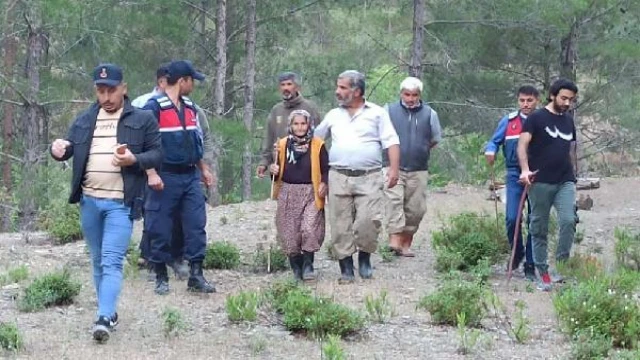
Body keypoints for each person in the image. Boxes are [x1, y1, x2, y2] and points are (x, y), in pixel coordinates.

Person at [50, 63, 163, 342]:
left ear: (123, 88)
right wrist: (58, 150)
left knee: (112, 260)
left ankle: (103, 318)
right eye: (101, 91)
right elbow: (70, 149)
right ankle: (109, 311)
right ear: (96, 91)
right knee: (98, 260)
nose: (107, 96)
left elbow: (158, 154)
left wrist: (133, 160)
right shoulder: (85, 119)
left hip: (120, 203)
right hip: (89, 201)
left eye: (112, 90)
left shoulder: (143, 119)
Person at [314, 70, 400, 283]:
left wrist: (394, 170)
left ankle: (364, 257)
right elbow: (315, 141)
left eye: (343, 87)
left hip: (369, 177)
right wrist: (319, 176)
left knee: (368, 221)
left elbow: (391, 141)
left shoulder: (377, 113)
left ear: (357, 91)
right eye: (338, 86)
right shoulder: (333, 115)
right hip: (338, 176)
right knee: (339, 223)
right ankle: (346, 268)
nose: (337, 91)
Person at [133, 64, 216, 281]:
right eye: (192, 81)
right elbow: (142, 144)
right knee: (160, 225)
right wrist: (151, 173)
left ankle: (196, 274)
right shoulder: (153, 107)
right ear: (182, 81)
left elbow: (194, 141)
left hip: (190, 175)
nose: (194, 85)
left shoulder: (190, 107)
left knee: (196, 223)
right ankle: (159, 273)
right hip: (164, 174)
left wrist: (203, 169)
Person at [517, 78, 579, 291]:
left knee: (569, 220)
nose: (567, 103)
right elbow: (522, 145)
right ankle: (542, 273)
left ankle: (561, 267)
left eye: (571, 100)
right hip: (540, 180)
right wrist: (525, 170)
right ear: (553, 95)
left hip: (565, 180)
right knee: (539, 227)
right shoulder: (536, 118)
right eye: (563, 98)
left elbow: (571, 149)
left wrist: (574, 174)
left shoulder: (569, 121)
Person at [485, 85, 540, 281]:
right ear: (518, 101)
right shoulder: (509, 122)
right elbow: (494, 141)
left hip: (538, 175)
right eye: (522, 100)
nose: (526, 104)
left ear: (537, 101)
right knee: (511, 218)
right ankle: (516, 252)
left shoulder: (543, 120)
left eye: (530, 100)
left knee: (535, 220)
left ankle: (531, 264)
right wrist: (490, 151)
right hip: (514, 174)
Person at [383, 77, 442, 257]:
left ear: (419, 95)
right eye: (407, 94)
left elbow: (435, 138)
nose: (410, 98)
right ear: (401, 93)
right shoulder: (388, 111)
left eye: (414, 95)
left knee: (416, 208)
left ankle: (406, 242)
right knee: (394, 201)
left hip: (418, 168)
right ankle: (394, 240)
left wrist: (421, 149)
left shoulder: (429, 113)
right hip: (393, 166)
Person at [269, 109, 329, 281]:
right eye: (296, 123)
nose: (300, 127)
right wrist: (272, 170)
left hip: (311, 191)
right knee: (289, 232)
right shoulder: (282, 145)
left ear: (309, 124)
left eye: (303, 123)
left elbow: (325, 168)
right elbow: (274, 175)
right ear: (291, 125)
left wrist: (324, 183)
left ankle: (308, 263)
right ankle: (296, 267)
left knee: (309, 227)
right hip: (288, 191)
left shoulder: (317, 144)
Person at [256, 72, 322, 178]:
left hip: (306, 168)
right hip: (281, 168)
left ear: (297, 87)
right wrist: (264, 163)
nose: (285, 88)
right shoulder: (276, 111)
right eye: (283, 85)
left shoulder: (309, 108)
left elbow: (319, 138)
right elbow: (269, 139)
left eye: (289, 84)